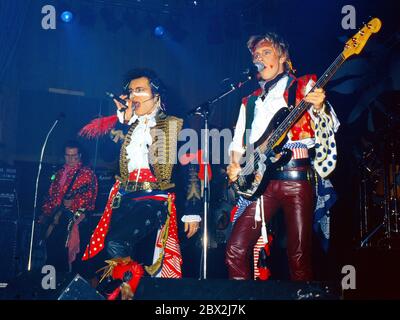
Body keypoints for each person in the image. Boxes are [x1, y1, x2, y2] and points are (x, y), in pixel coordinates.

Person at [225, 32, 340, 281]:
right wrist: (234, 165)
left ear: (282, 56)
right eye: (256, 55)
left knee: (298, 255)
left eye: (266, 52)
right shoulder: (250, 101)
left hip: (296, 178)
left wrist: (319, 106)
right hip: (261, 183)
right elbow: (238, 142)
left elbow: (333, 125)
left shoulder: (304, 85)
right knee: (235, 249)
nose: (260, 58)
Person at [79, 68, 200, 299]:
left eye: (140, 90)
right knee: (112, 253)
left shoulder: (174, 124)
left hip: (154, 198)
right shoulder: (127, 126)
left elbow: (190, 168)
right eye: (131, 91)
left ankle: (127, 292)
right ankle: (133, 291)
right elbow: (105, 153)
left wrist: (193, 210)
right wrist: (121, 122)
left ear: (157, 96)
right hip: (124, 198)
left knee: (117, 242)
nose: (134, 96)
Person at [39, 140, 98, 273]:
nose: (70, 159)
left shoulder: (87, 174)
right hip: (54, 220)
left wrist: (74, 203)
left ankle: (66, 288)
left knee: (69, 259)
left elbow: (90, 199)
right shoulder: (60, 173)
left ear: (80, 156)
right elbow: (51, 196)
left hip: (73, 221)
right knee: (51, 257)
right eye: (67, 155)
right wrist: (46, 213)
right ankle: (50, 289)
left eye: (74, 156)